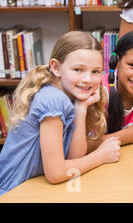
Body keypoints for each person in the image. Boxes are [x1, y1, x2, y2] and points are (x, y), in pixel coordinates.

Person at [0, 31, 121, 196]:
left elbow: (74, 158)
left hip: (34, 190)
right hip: (13, 194)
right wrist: (100, 156)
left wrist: (81, 109)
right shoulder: (53, 99)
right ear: (56, 67)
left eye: (95, 71)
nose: (87, 79)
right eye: (78, 69)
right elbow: (56, 173)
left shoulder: (68, 96)